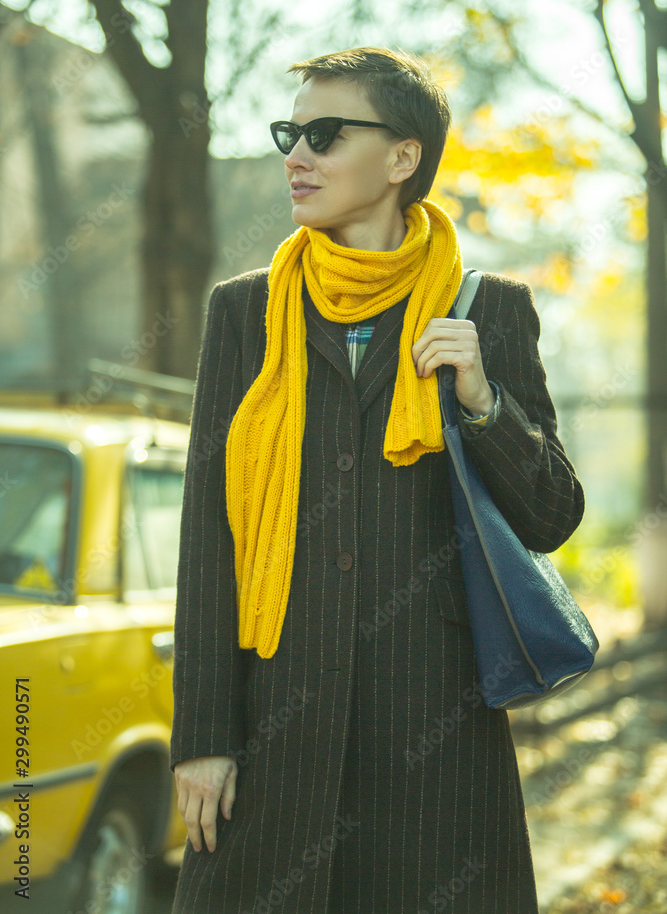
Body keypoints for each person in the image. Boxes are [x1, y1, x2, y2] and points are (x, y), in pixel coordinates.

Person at [169, 46, 585, 914]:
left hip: (434, 741)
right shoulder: (244, 312)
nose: (297, 154)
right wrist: (201, 737)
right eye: (291, 132)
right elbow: (209, 534)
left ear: (402, 158)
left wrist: (482, 400)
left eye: (324, 133)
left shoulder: (485, 308)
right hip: (274, 732)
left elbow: (550, 514)